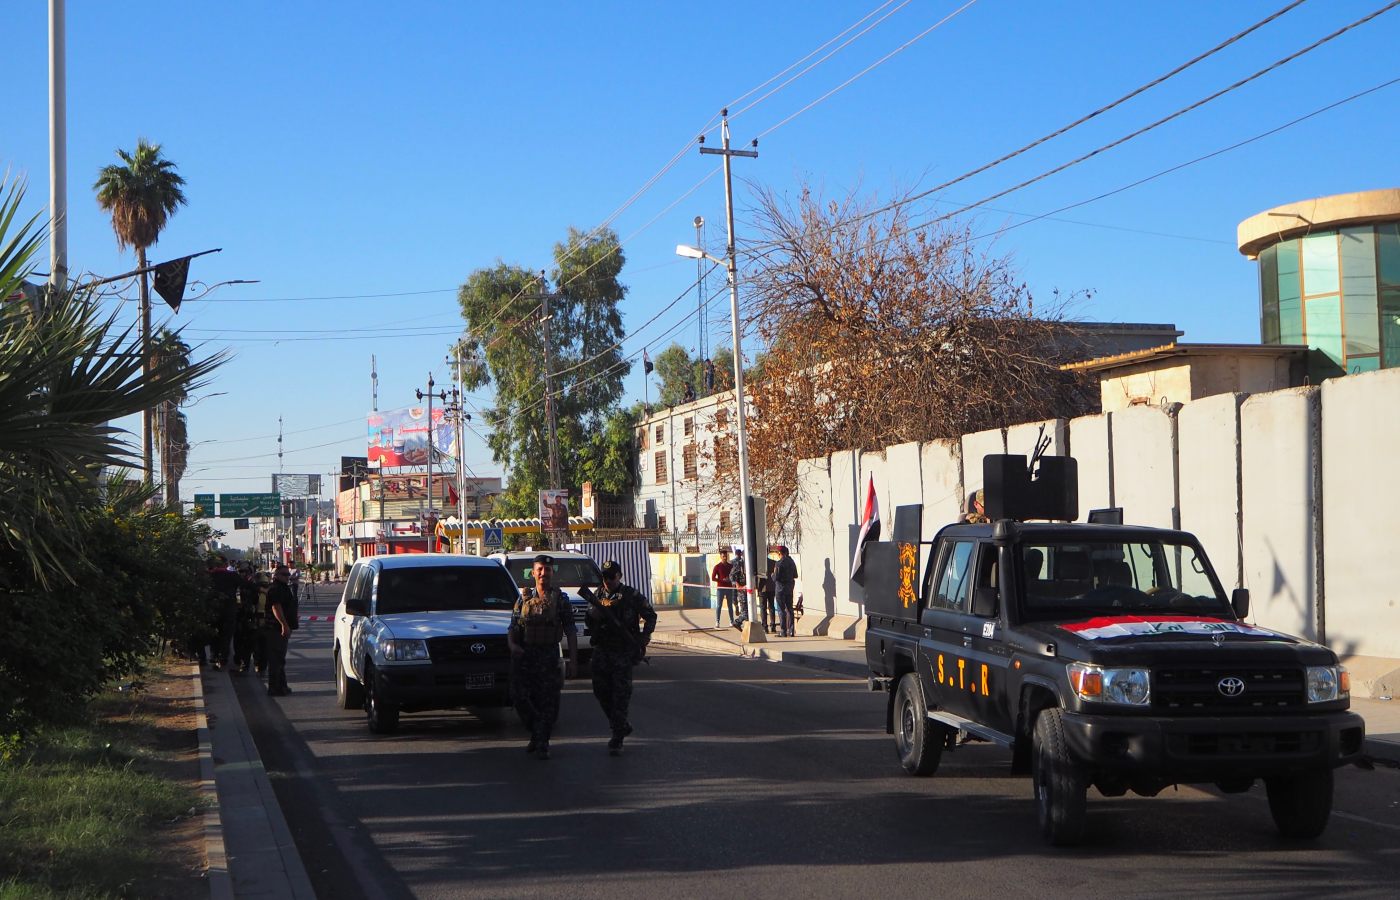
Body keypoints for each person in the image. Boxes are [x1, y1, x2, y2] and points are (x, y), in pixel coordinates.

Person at [508, 555, 578, 759]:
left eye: (547, 570)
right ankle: (536, 733)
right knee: (519, 697)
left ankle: (542, 742)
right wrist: (512, 646)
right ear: (533, 572)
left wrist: (572, 661)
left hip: (548, 656)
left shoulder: (561, 599)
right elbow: (513, 626)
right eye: (539, 569)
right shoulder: (523, 598)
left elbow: (571, 630)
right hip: (526, 655)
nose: (543, 573)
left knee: (547, 702)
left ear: (552, 572)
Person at [583, 560, 656, 756]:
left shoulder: (631, 595)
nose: (607, 581)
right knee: (600, 691)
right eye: (604, 577)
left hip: (623, 651)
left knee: (621, 695)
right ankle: (621, 724)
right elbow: (588, 620)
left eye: (611, 577)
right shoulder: (597, 595)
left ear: (620, 576)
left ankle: (617, 736)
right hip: (602, 649)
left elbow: (650, 615)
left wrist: (643, 638)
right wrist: (594, 615)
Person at [264, 565, 294, 696]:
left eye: (288, 575)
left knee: (280, 659)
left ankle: (282, 687)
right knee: (276, 659)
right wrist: (284, 625)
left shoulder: (283, 587)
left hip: (280, 628)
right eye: (284, 574)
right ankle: (274, 688)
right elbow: (276, 607)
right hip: (275, 628)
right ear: (276, 575)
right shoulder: (275, 588)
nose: (287, 577)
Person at [773, 545, 799, 637]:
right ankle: (791, 631)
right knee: (789, 609)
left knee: (781, 610)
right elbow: (796, 575)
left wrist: (773, 574)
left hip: (780, 588)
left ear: (779, 553)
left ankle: (783, 631)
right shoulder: (792, 562)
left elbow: (776, 577)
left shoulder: (779, 563)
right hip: (789, 588)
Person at [710, 548, 736, 628]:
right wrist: (721, 580)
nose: (725, 557)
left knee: (730, 606)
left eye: (726, 556)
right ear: (721, 557)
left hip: (729, 588)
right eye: (723, 556)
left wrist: (731, 580)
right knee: (719, 605)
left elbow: (734, 575)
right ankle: (717, 621)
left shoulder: (730, 566)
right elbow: (713, 578)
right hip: (720, 588)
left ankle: (732, 621)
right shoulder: (717, 567)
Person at [729, 549, 748, 626]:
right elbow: (731, 575)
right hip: (742, 590)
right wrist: (737, 584)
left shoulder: (751, 563)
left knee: (748, 610)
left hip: (749, 589)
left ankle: (746, 626)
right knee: (745, 611)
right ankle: (737, 622)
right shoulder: (739, 563)